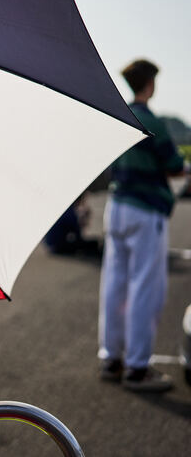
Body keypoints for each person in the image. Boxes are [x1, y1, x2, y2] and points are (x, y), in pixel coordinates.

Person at [98, 59, 186, 392]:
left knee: (114, 285)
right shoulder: (153, 121)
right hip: (145, 210)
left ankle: (112, 358)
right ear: (149, 84)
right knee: (144, 289)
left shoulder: (118, 118)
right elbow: (175, 167)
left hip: (116, 206)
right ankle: (137, 368)